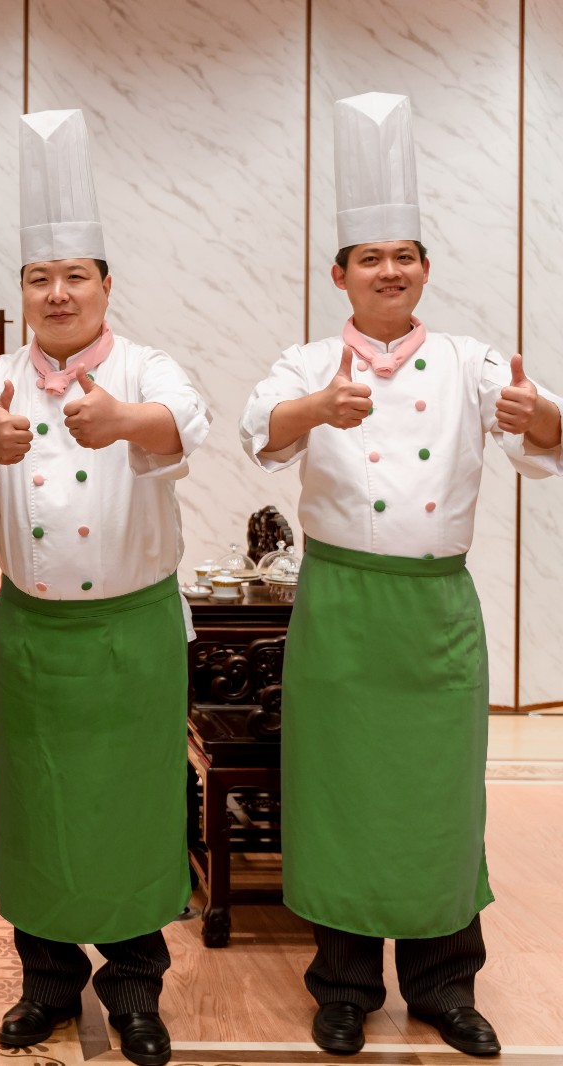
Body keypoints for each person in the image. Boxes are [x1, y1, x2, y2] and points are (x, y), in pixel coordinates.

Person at [240, 92, 563, 1059]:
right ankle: (343, 986)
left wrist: (538, 415)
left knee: (439, 801)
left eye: (406, 256)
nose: (391, 270)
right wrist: (317, 409)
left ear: (425, 269)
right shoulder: (307, 359)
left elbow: (544, 435)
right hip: (341, 604)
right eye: (372, 257)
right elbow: (260, 431)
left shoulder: (469, 360)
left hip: (434, 611)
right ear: (339, 273)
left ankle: (443, 986)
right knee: (340, 795)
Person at [0, 110, 207, 1066]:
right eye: (40, 277)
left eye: (75, 275)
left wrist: (124, 421)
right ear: (23, 291)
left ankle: (134, 991)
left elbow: (185, 423)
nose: (57, 292)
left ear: (106, 285)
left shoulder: (146, 366)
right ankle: (44, 984)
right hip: (35, 631)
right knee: (36, 806)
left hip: (132, 630)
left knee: (135, 807)